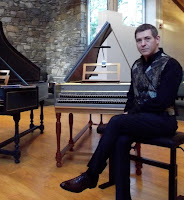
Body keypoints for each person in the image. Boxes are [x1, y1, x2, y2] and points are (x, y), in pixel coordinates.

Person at [60, 24, 183, 199]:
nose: (143, 43)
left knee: (117, 122)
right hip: (142, 119)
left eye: (147, 39)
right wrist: (129, 111)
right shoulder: (136, 65)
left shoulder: (171, 65)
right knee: (120, 140)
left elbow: (163, 101)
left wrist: (131, 114)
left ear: (157, 40)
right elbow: (131, 96)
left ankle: (91, 175)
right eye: (139, 40)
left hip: (164, 120)